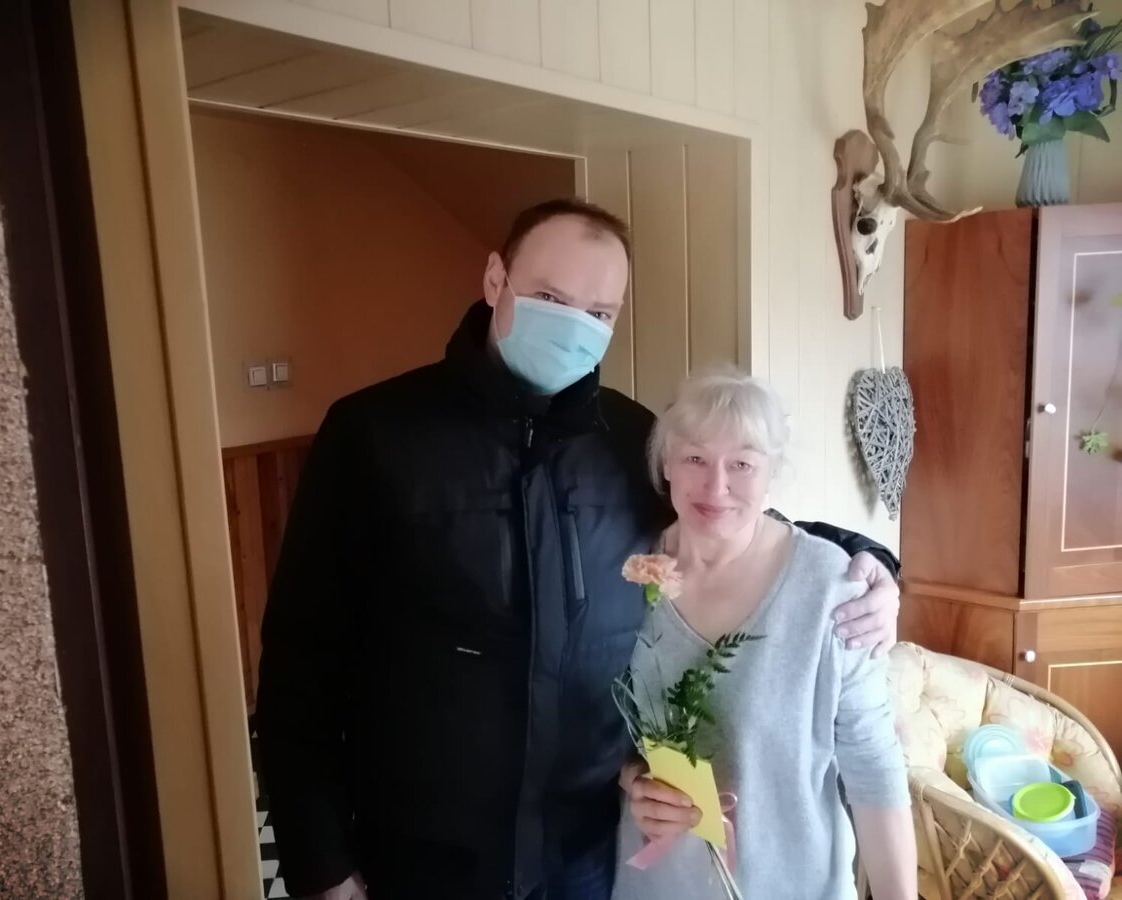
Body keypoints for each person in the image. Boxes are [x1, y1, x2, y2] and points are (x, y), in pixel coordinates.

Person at [256, 198, 903, 900]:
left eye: (599, 313)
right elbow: (299, 664)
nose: (573, 326)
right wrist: (320, 865)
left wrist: (867, 560)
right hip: (422, 856)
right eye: (550, 299)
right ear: (496, 280)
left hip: (586, 858)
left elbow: (724, 514)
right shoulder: (373, 435)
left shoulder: (628, 438)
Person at [613, 368, 916, 900]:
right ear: (666, 464)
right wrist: (632, 779)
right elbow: (596, 726)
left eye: (742, 464)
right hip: (656, 886)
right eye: (695, 458)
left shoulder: (833, 587)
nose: (716, 486)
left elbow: (873, 767)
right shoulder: (627, 573)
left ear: (772, 471)